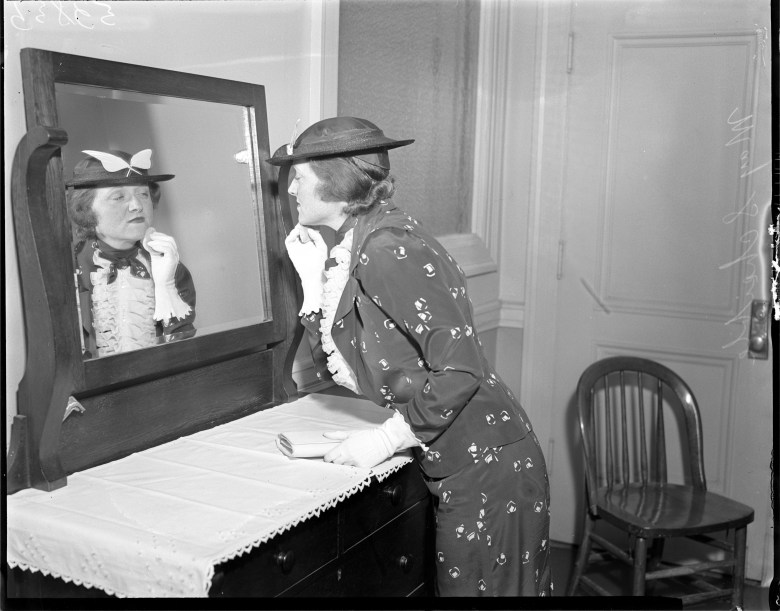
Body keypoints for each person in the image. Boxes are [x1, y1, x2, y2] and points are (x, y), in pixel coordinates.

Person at [268, 117, 551, 596]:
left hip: (486, 462)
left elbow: (462, 369)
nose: (291, 186)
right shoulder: (363, 241)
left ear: (336, 179)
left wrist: (387, 438)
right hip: (465, 456)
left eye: (300, 173)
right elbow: (342, 362)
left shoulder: (386, 247)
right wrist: (314, 278)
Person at [66, 149, 196, 358]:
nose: (137, 206)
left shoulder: (168, 266)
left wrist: (166, 285)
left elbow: (181, 348)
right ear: (85, 208)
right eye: (118, 197)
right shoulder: (68, 268)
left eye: (143, 194)